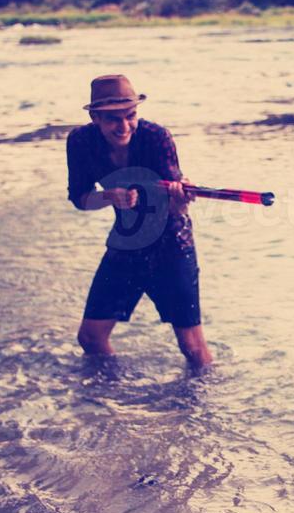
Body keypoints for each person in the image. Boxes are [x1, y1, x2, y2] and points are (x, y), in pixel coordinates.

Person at [66, 74, 213, 367]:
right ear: (95, 117)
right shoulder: (80, 142)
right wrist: (109, 197)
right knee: (90, 338)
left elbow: (175, 206)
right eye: (112, 120)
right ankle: (109, 401)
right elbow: (80, 199)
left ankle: (202, 408)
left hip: (172, 244)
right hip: (126, 243)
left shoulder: (157, 137)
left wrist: (180, 200)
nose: (123, 127)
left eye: (130, 116)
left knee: (192, 347)